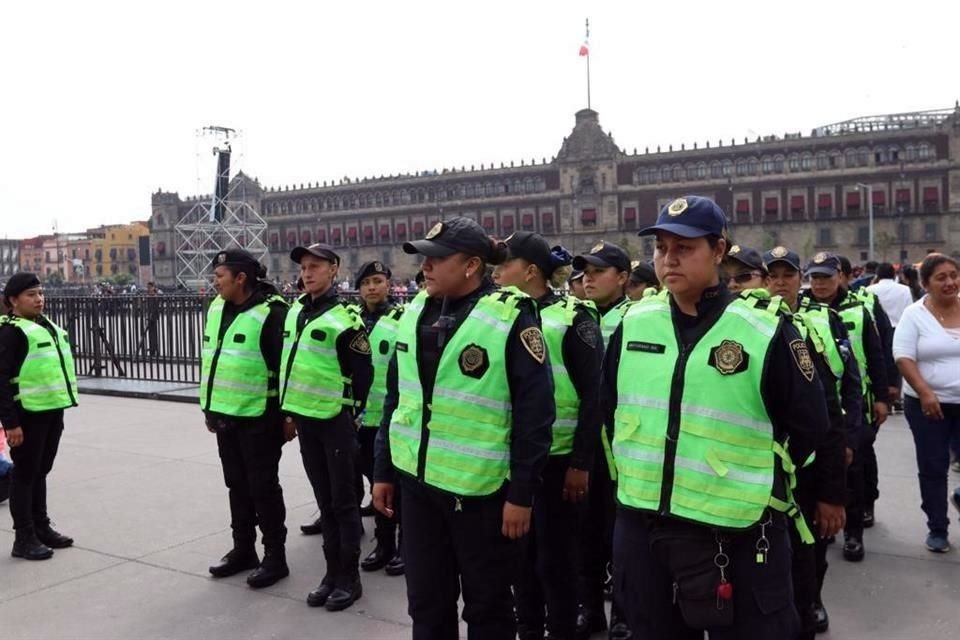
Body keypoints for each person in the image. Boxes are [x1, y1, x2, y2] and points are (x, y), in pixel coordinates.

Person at [608, 196, 828, 639]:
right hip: (645, 524)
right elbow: (607, 410)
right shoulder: (633, 323)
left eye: (685, 247)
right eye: (661, 248)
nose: (669, 259)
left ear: (719, 251)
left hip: (739, 529)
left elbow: (810, 425)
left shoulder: (764, 329)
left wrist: (753, 479)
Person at [372, 217, 554, 639]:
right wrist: (383, 470)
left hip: (480, 495)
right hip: (418, 487)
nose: (426, 267)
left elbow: (535, 414)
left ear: (472, 265)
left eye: (437, 258)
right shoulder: (414, 312)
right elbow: (396, 397)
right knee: (426, 603)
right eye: (424, 258)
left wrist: (521, 494)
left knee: (488, 609)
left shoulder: (509, 317)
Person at [495, 231, 603, 640]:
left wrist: (581, 463)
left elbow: (594, 394)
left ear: (530, 271)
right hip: (513, 459)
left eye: (505, 264)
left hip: (559, 460)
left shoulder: (573, 317)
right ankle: (527, 628)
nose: (497, 273)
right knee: (518, 559)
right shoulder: (497, 315)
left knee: (556, 560)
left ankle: (561, 629)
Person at [765, 246, 861, 636]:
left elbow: (832, 407)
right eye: (772, 276)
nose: (780, 283)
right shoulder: (743, 329)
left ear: (798, 279)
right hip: (761, 471)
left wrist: (833, 488)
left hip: (806, 464)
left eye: (787, 275)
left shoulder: (813, 327)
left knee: (809, 548)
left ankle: (811, 602)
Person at [280, 243, 373, 611]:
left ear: (334, 269)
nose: (307, 273)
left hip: (334, 422)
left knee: (343, 502)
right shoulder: (296, 312)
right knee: (325, 501)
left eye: (315, 266)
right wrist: (289, 413)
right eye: (304, 267)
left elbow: (363, 375)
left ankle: (349, 577)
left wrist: (350, 415)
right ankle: (331, 573)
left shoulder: (346, 319)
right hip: (306, 420)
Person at [202, 251, 292, 589]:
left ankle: (275, 556)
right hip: (226, 415)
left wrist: (287, 416)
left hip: (260, 417)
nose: (215, 282)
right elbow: (213, 360)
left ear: (241, 278)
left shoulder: (272, 312)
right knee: (236, 485)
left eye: (220, 275)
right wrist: (210, 409)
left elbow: (286, 368)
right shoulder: (217, 308)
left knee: (263, 487)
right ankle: (243, 549)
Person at [802, 253, 890, 562]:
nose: (820, 284)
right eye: (814, 278)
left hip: (854, 405)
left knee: (854, 469)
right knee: (825, 471)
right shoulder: (800, 311)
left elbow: (876, 355)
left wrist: (883, 396)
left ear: (840, 276)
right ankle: (826, 528)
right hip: (820, 408)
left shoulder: (859, 309)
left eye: (826, 277)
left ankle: (854, 533)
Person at [571, 241, 633, 640]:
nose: (588, 279)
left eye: (598, 272)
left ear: (623, 277)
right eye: (585, 273)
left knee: (622, 538)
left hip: (623, 448)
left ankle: (624, 615)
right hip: (586, 445)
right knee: (585, 535)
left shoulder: (636, 319)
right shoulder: (576, 317)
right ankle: (590, 609)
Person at [0, 273, 78, 560]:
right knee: (25, 473)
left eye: (41, 293)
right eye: (31, 295)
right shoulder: (11, 332)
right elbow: (1, 380)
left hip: (51, 410)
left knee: (40, 470)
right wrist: (11, 423)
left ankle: (41, 527)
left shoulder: (43, 326)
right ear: (13, 300)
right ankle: (23, 537)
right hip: (27, 415)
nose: (39, 299)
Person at [893, 253, 960, 553]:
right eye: (941, 277)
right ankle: (937, 527)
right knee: (933, 466)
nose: (950, 282)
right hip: (927, 406)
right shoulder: (914, 315)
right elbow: (903, 357)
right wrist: (925, 392)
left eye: (954, 275)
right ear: (925, 283)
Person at [353, 260, 406, 577]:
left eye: (377, 281)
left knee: (394, 485)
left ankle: (403, 547)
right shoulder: (351, 320)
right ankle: (384, 544)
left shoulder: (402, 320)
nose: (371, 288)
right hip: (360, 419)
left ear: (388, 284)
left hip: (391, 418)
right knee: (376, 482)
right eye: (365, 283)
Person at [868, 263, 914, 328]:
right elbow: (910, 310)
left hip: (879, 329)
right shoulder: (905, 289)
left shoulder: (869, 290)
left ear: (877, 275)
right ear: (894, 274)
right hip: (900, 327)